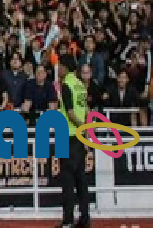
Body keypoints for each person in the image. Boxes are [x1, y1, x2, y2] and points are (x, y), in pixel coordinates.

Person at [59, 55, 91, 228]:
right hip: (79, 139)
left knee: (68, 181)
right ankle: (85, 218)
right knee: (81, 180)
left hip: (69, 136)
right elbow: (87, 110)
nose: (57, 69)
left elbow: (71, 113)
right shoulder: (80, 85)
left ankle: (68, 220)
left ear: (65, 67)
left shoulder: (67, 85)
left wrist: (82, 126)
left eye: (59, 66)